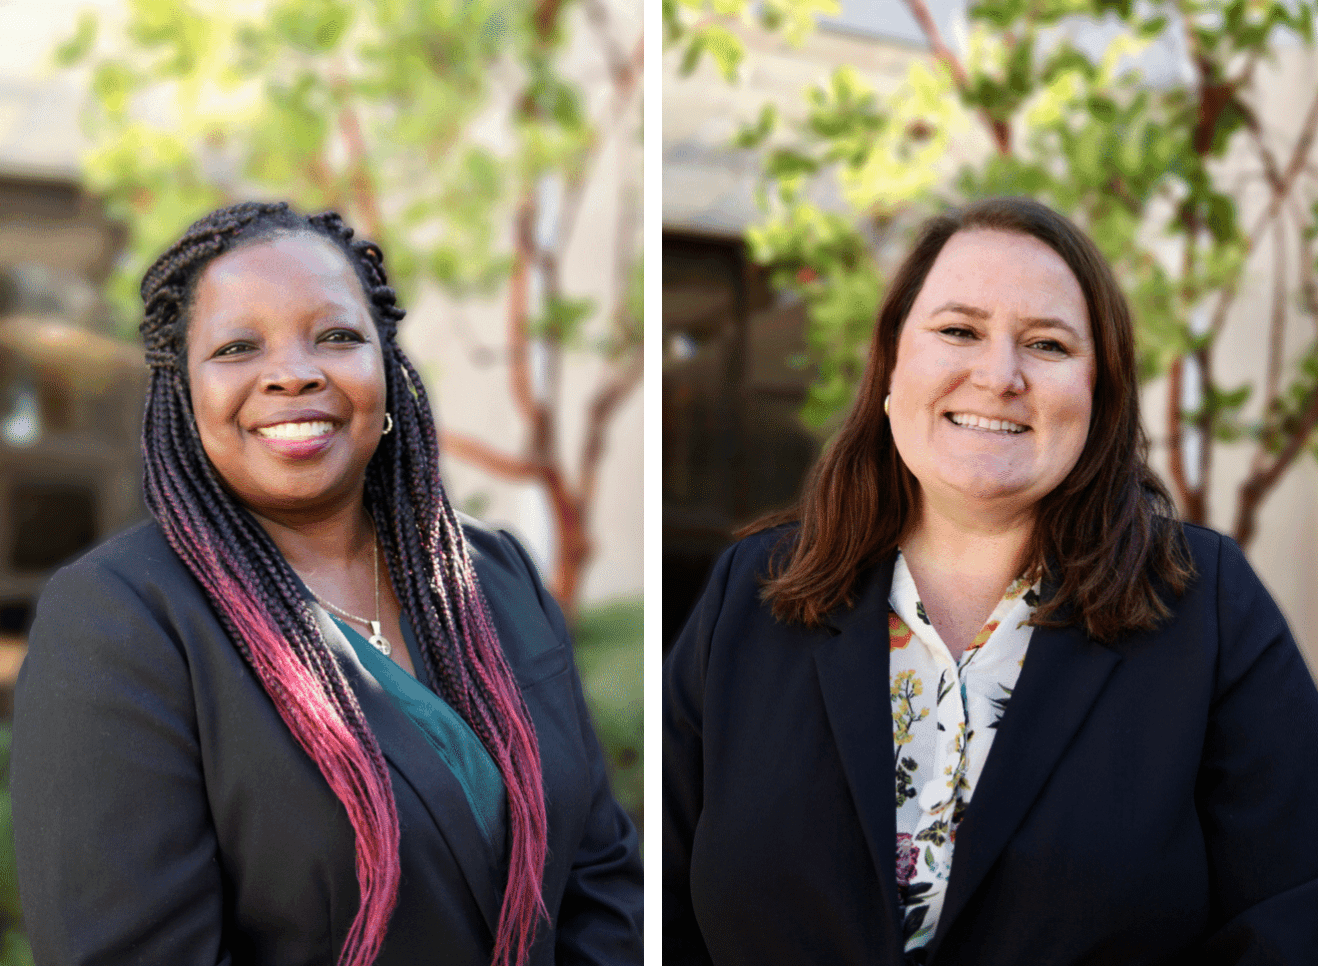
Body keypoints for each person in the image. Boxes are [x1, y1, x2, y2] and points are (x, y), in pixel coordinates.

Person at [663, 196, 1318, 965]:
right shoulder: (752, 593)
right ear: (892, 367)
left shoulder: (1208, 607)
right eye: (957, 331)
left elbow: (1290, 916)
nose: (998, 375)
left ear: (1099, 396)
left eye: (1046, 344)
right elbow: (662, 907)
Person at [13, 201, 642, 966]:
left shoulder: (493, 575)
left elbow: (601, 876)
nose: (293, 373)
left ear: (386, 367)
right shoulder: (122, 620)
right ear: (185, 395)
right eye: (237, 347)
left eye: (338, 337)